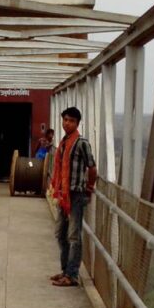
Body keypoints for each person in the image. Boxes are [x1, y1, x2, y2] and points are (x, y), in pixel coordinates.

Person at [49, 106, 97, 288]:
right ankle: (65, 270)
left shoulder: (81, 143)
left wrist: (89, 188)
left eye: (71, 121)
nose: (67, 123)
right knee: (61, 233)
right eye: (65, 120)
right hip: (63, 194)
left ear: (77, 123)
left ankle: (72, 275)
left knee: (74, 235)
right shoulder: (63, 143)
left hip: (76, 194)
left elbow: (92, 167)